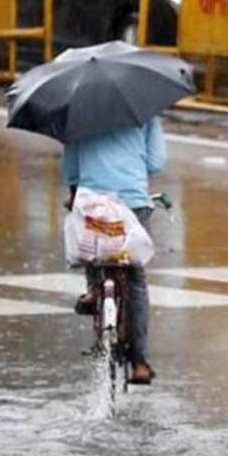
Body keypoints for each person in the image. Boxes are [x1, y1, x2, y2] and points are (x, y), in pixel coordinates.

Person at [63, 117, 167, 385]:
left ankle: (95, 289)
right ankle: (140, 363)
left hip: (92, 200)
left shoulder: (78, 114)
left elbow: (72, 171)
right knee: (135, 278)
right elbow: (156, 163)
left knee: (92, 248)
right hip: (132, 201)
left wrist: (75, 194)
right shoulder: (145, 112)